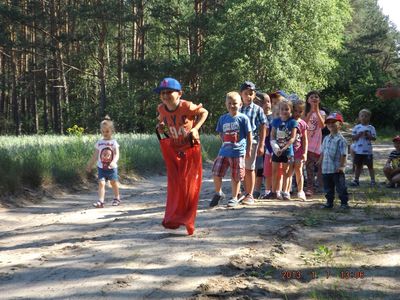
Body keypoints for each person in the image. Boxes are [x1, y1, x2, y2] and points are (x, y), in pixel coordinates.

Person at [155, 77, 208, 235]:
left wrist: (196, 128)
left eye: (169, 92)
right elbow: (161, 120)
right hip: (173, 150)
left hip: (190, 149)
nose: (165, 96)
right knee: (175, 185)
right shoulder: (162, 109)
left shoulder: (186, 106)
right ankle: (174, 217)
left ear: (179, 93)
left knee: (188, 186)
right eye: (162, 93)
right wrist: (160, 126)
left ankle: (187, 218)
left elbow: (204, 112)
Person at [210, 92, 252, 208]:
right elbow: (220, 133)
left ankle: (234, 197)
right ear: (226, 104)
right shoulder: (223, 118)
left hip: (238, 152)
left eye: (235, 103)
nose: (232, 106)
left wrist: (248, 150)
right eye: (229, 103)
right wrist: (223, 143)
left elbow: (249, 134)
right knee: (216, 171)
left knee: (236, 176)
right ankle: (219, 192)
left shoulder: (243, 118)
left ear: (240, 104)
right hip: (224, 151)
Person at [239, 81, 267, 205]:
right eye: (246, 93)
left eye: (251, 93)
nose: (248, 96)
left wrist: (261, 144)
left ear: (254, 95)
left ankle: (250, 194)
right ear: (241, 94)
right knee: (241, 168)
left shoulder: (258, 109)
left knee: (250, 168)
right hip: (239, 143)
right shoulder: (237, 108)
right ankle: (244, 192)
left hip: (253, 142)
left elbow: (263, 126)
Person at [86, 116, 121, 208]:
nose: (105, 133)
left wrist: (114, 161)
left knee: (113, 182)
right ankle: (101, 201)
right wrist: (90, 165)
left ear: (112, 131)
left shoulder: (113, 142)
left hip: (112, 167)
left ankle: (117, 198)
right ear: (100, 131)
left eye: (107, 131)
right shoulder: (99, 143)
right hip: (101, 167)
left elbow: (117, 154)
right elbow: (95, 155)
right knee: (101, 183)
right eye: (103, 131)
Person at [318, 112, 349, 209]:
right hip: (326, 168)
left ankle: (344, 203)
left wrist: (342, 166)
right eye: (328, 122)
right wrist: (320, 161)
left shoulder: (341, 140)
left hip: (336, 169)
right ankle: (329, 202)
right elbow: (323, 151)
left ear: (340, 125)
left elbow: (343, 154)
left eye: (333, 122)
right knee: (328, 187)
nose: (330, 124)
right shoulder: (326, 138)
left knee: (340, 187)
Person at [268, 99, 298, 200]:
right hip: (277, 151)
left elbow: (293, 138)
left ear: (291, 110)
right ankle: (274, 192)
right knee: (275, 171)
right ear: (279, 110)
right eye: (282, 109)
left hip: (288, 151)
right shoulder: (275, 121)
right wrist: (276, 148)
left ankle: (285, 191)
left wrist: (284, 148)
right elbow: (272, 136)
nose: (284, 111)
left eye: (287, 109)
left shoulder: (293, 122)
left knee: (287, 172)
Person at [304, 91, 326, 197]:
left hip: (317, 143)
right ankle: (309, 187)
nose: (314, 98)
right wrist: (310, 111)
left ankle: (319, 185)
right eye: (311, 97)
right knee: (309, 166)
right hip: (306, 143)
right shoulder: (304, 112)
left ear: (319, 100)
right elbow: (303, 124)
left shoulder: (322, 113)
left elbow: (322, 126)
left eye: (316, 97)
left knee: (318, 165)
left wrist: (316, 111)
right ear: (308, 100)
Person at [286, 99, 308, 200]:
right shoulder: (288, 122)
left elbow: (305, 140)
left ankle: (300, 191)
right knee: (289, 171)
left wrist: (305, 153)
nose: (297, 113)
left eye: (300, 111)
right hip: (289, 151)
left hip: (299, 151)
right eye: (295, 111)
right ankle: (287, 190)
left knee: (299, 170)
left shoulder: (303, 124)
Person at [350, 109, 376, 186]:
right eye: (362, 116)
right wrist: (359, 135)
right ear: (359, 118)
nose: (364, 117)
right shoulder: (356, 127)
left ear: (369, 118)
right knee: (358, 166)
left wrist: (368, 135)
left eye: (366, 116)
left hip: (368, 151)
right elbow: (353, 138)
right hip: (358, 151)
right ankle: (356, 180)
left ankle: (372, 180)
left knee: (370, 166)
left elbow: (374, 138)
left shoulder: (371, 128)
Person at [253, 92, 270, 198]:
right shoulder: (251, 114)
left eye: (268, 102)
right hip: (253, 144)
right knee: (253, 169)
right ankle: (253, 190)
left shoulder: (270, 116)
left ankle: (261, 190)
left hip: (266, 146)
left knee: (262, 169)